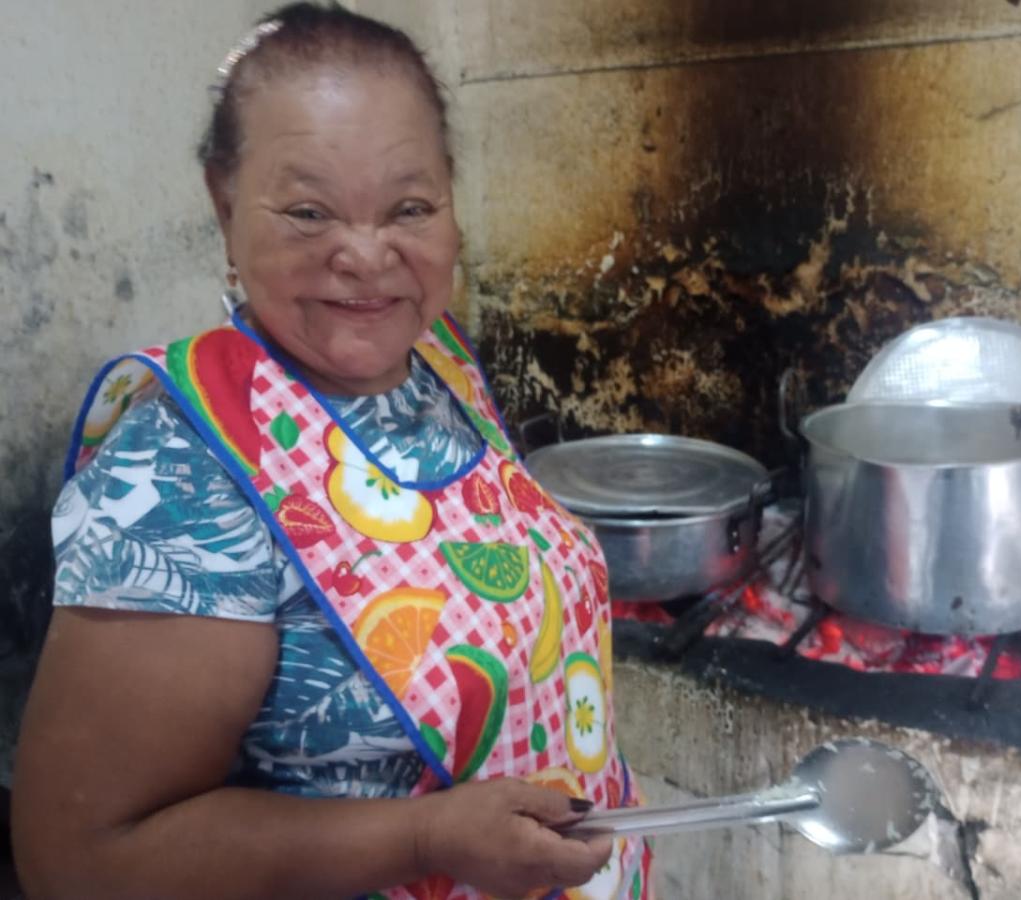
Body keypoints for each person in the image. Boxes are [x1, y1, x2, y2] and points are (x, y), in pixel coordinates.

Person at [11, 5, 651, 899]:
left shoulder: (437, 363)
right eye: (310, 212)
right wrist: (423, 838)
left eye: (410, 208)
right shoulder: (178, 481)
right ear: (224, 204)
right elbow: (82, 861)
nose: (366, 255)